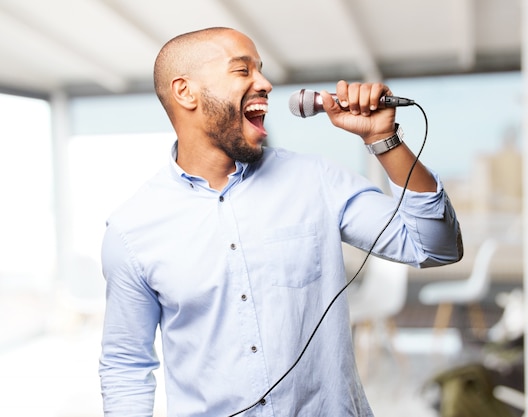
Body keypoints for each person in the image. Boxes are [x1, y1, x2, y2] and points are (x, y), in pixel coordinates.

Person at [99, 27, 463, 417]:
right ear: (185, 92)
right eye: (243, 71)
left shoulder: (317, 180)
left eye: (261, 70)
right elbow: (126, 365)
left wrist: (384, 139)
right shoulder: (131, 230)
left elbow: (435, 247)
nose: (266, 84)